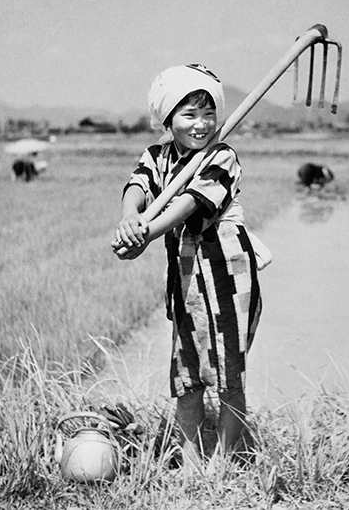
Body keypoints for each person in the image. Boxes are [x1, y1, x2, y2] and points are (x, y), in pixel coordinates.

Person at [111, 64, 262, 466]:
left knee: (228, 374)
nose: (201, 124)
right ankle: (193, 464)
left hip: (227, 272)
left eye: (208, 113)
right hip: (185, 275)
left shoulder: (223, 157)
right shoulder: (157, 154)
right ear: (168, 119)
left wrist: (147, 233)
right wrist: (130, 217)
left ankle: (226, 464)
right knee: (187, 376)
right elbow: (138, 185)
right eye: (189, 115)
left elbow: (189, 206)